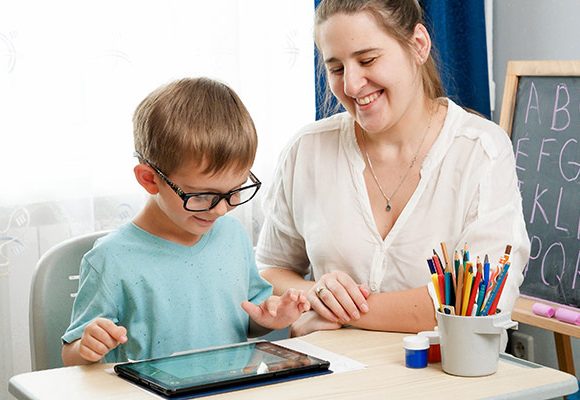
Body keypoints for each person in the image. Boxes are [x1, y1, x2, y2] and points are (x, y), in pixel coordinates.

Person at [256, 0, 530, 337]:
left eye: (367, 59)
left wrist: (340, 310)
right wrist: (317, 293)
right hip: (335, 382)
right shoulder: (306, 150)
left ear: (418, 45)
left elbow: (478, 302)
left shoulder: (481, 151)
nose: (353, 85)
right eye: (337, 68)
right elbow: (269, 270)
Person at [61, 78, 310, 366]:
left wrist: (270, 319)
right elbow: (71, 357)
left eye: (235, 191)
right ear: (150, 179)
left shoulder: (232, 236)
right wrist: (87, 347)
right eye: (203, 196)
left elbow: (250, 318)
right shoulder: (110, 259)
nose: (221, 210)